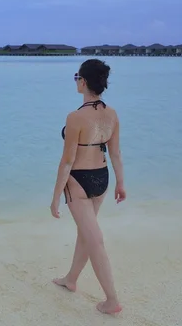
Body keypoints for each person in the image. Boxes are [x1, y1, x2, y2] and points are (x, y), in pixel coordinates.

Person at [50, 58, 126, 316]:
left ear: (83, 82)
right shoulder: (112, 114)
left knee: (95, 239)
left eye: (76, 77)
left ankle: (111, 300)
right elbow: (115, 153)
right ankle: (71, 279)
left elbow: (68, 160)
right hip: (102, 178)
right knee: (87, 232)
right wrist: (121, 183)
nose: (76, 81)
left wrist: (56, 194)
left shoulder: (75, 117)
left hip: (79, 181)